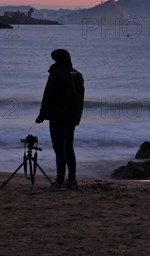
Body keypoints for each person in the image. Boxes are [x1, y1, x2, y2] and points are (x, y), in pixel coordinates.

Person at [36, 49, 85, 191]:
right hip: (73, 116)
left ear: (57, 60)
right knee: (69, 147)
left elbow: (48, 97)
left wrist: (42, 115)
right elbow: (80, 98)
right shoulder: (78, 75)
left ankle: (59, 181)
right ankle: (71, 180)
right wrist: (77, 117)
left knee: (59, 149)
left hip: (58, 116)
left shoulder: (56, 75)